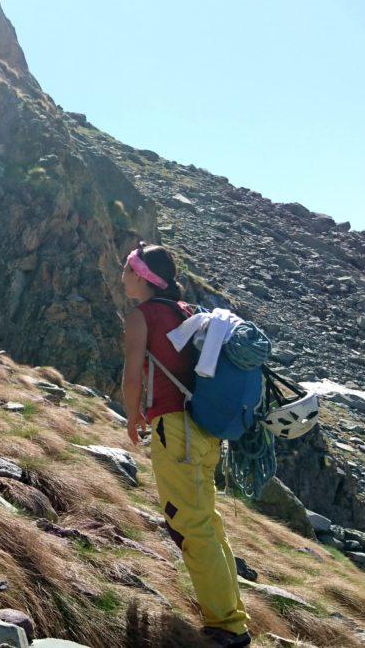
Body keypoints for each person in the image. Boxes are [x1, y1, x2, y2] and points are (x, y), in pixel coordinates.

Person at [120, 242, 251, 647]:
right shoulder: (186, 311)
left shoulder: (142, 316)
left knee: (191, 526)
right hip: (205, 431)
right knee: (207, 523)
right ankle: (230, 616)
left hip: (176, 432)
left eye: (127, 269)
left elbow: (131, 377)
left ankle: (227, 627)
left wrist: (133, 415)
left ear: (141, 277)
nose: (122, 276)